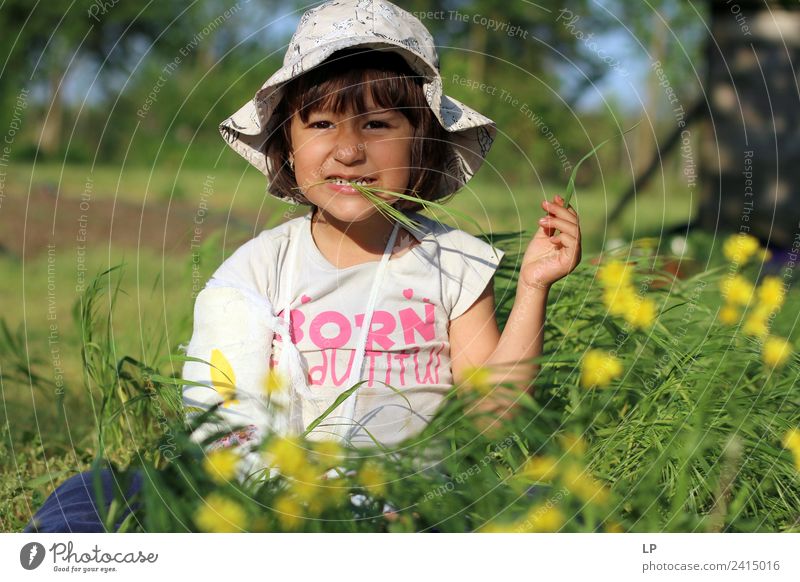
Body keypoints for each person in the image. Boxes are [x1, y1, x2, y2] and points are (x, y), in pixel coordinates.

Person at [23, 0, 581, 532]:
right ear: (286, 145)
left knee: (544, 503)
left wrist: (532, 289)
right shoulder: (260, 269)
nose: (348, 151)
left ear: (423, 143)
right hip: (274, 498)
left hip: (412, 505)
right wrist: (279, 500)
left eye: (378, 125)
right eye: (320, 124)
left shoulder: (454, 263)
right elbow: (223, 414)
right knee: (94, 495)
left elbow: (490, 414)